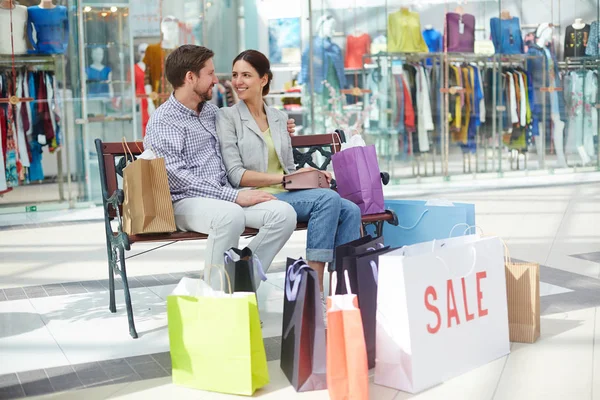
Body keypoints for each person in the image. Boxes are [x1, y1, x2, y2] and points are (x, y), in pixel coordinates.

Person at [216, 49, 362, 316]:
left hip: (286, 193)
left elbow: (289, 167)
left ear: (264, 79)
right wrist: (285, 179)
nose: (238, 82)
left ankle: (343, 293)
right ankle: (313, 294)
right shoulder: (227, 117)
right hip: (254, 197)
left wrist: (306, 176)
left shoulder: (279, 118)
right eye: (235, 75)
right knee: (328, 199)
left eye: (246, 75)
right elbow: (236, 174)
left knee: (350, 210)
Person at [143, 45, 298, 285]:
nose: (217, 80)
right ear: (190, 77)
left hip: (224, 197)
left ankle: (240, 284)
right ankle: (217, 300)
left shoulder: (211, 112)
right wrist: (234, 196)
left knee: (284, 214)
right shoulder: (164, 120)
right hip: (183, 201)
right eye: (210, 74)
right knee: (229, 216)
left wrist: (281, 126)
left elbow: (246, 125)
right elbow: (175, 177)